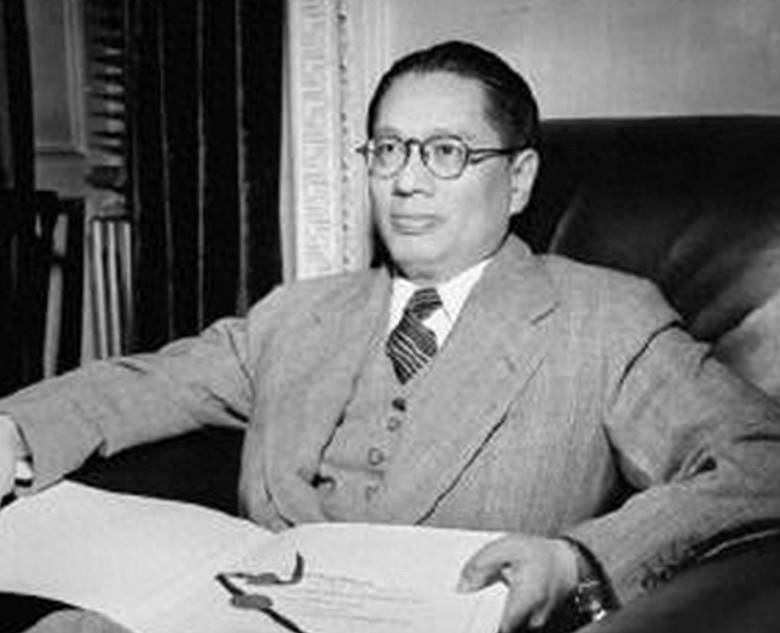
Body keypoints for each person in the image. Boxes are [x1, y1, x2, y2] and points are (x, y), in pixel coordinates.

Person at [2, 40, 780, 632]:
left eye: (445, 152)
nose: (407, 181)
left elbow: (761, 460)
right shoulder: (298, 313)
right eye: (388, 149)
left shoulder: (602, 319)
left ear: (518, 179)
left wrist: (579, 562)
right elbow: (153, 381)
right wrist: (14, 430)